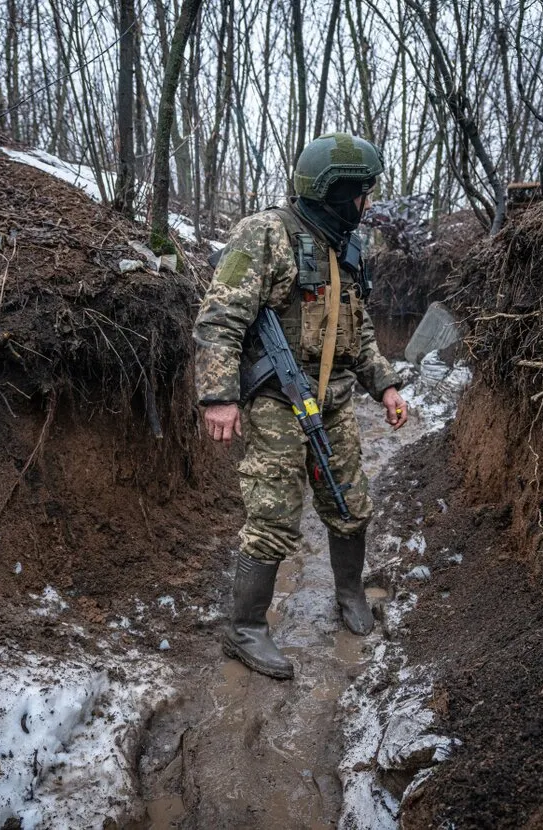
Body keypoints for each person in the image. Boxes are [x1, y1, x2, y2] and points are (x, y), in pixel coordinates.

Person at [193, 132, 409, 680]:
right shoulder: (264, 234)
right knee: (272, 515)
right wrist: (218, 396)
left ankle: (350, 593)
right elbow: (220, 320)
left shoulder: (346, 246)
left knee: (350, 503)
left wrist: (383, 385)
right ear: (338, 193)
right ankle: (245, 630)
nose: (367, 204)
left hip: (333, 400)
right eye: (362, 193)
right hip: (275, 400)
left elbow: (355, 334)